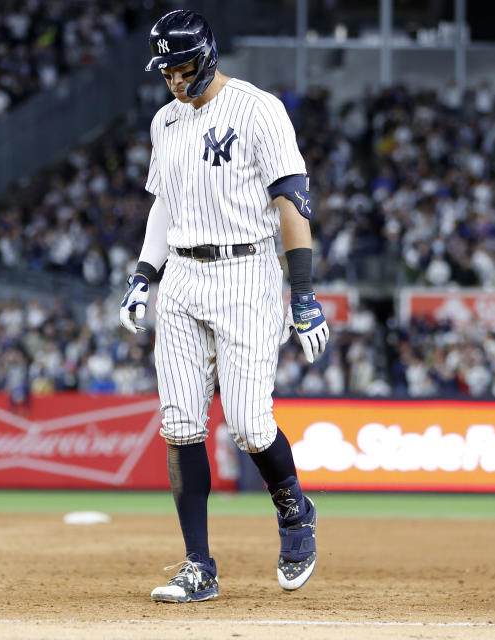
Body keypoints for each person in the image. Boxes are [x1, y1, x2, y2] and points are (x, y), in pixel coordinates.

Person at [119, 9, 330, 603]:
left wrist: (305, 295)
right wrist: (143, 276)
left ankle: (294, 510)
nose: (173, 79)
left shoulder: (259, 109)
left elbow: (292, 200)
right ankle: (197, 566)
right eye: (166, 69)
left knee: (247, 423)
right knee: (180, 423)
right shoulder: (166, 120)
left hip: (246, 270)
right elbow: (162, 204)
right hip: (183, 276)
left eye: (181, 66)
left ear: (207, 55)